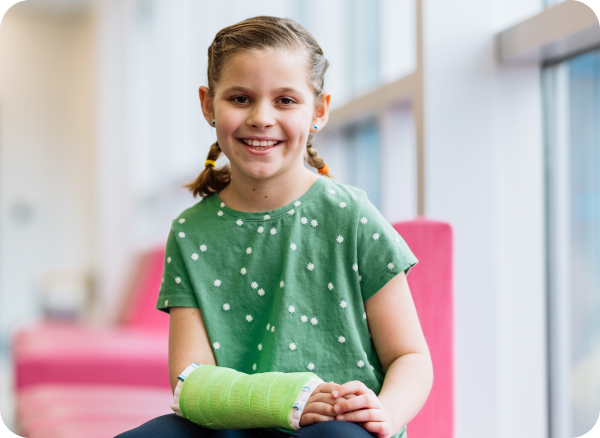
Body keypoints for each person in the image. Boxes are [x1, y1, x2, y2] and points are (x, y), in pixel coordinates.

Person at [116, 15, 432, 438]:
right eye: (241, 98)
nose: (262, 118)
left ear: (319, 110)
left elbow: (410, 356)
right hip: (232, 427)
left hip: (336, 428)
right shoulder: (190, 232)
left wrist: (386, 413)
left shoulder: (351, 215)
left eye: (285, 100)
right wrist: (290, 398)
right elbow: (191, 382)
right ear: (208, 104)